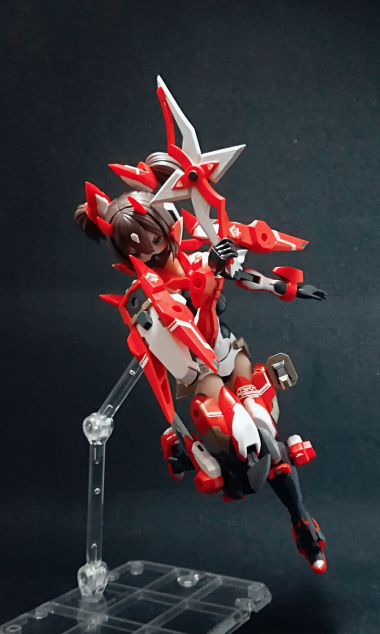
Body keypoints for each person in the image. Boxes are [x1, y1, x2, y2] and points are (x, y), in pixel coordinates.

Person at [75, 151, 329, 574]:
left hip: (228, 352)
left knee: (265, 427)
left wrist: (286, 287)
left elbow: (246, 277)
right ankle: (187, 448)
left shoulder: (200, 258)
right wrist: (200, 279)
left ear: (169, 226)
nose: (153, 252)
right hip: (196, 371)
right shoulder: (145, 294)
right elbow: (166, 324)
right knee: (239, 433)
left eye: (156, 240)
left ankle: (302, 521)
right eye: (139, 248)